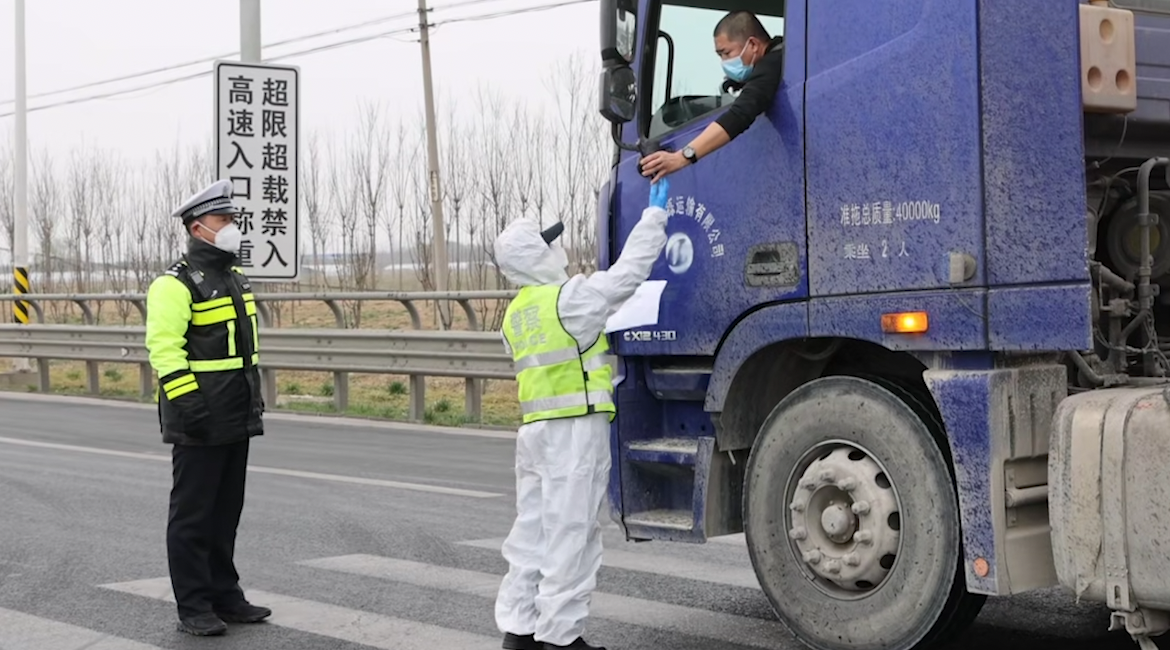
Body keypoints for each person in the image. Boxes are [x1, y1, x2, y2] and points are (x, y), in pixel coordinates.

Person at [492, 179, 673, 650]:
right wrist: (654, 218)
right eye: (550, 242)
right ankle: (562, 640)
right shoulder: (568, 299)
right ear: (537, 255)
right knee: (572, 532)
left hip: (534, 436)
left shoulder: (515, 314)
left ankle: (519, 632)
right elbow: (628, 275)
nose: (559, 247)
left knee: (532, 530)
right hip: (574, 432)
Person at [145, 178, 269, 636]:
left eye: (233, 219)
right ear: (199, 228)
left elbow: (241, 352)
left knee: (225, 512)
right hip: (198, 415)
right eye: (224, 221)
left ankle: (226, 596)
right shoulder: (174, 284)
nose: (232, 227)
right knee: (194, 515)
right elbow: (164, 350)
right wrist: (190, 405)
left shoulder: (234, 277)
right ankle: (193, 606)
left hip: (236, 414)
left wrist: (251, 401)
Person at [640, 10, 784, 182]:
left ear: (753, 44)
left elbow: (740, 114)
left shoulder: (774, 63)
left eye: (726, 53)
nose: (724, 62)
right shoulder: (780, 60)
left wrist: (682, 156)